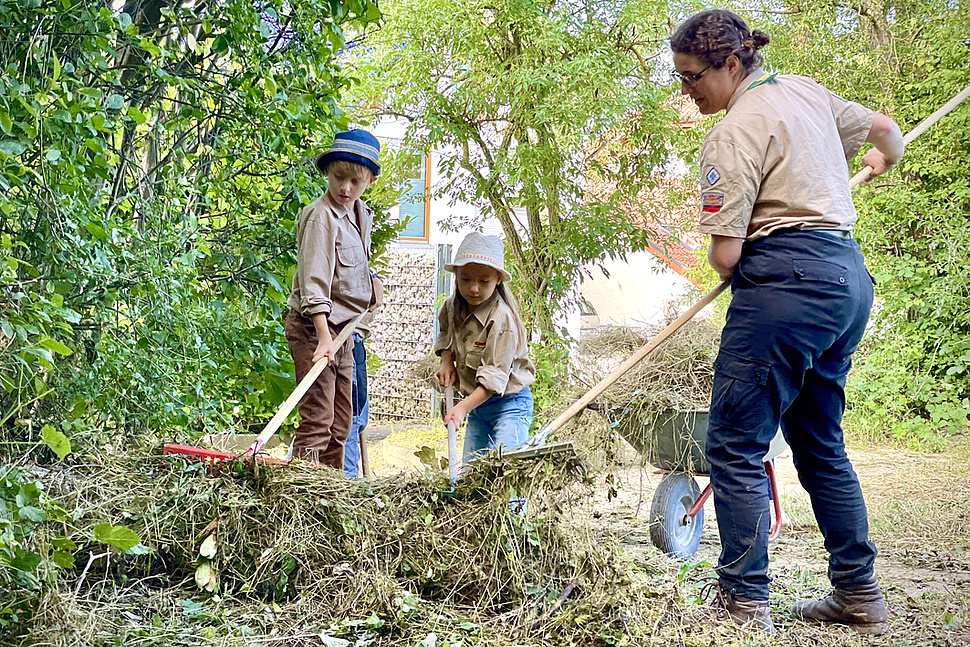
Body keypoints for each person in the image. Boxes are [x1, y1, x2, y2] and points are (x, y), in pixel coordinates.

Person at [670, 9, 904, 635]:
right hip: (846, 281)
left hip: (785, 287)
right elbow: (886, 130)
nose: (686, 90)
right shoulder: (804, 92)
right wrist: (885, 160)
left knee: (735, 443)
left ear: (729, 63)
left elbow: (726, 255)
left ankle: (743, 598)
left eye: (693, 77)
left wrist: (735, 256)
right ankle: (860, 595)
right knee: (819, 441)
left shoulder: (730, 134)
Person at [285, 129, 384, 469]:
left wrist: (372, 281)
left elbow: (348, 266)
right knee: (318, 421)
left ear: (369, 180)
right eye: (338, 178)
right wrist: (323, 335)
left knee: (341, 423)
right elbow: (315, 280)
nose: (345, 188)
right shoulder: (320, 217)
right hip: (316, 331)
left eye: (354, 181)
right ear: (327, 173)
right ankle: (302, 495)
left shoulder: (361, 214)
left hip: (344, 331)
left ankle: (330, 496)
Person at [434, 233, 535, 469]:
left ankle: (514, 508)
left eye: (484, 281)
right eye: (466, 279)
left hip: (510, 404)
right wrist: (446, 360)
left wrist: (461, 409)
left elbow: (493, 380)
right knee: (472, 474)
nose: (474, 288)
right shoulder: (452, 306)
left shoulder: (502, 320)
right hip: (478, 405)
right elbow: (445, 333)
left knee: (507, 475)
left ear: (498, 279)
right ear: (456, 275)